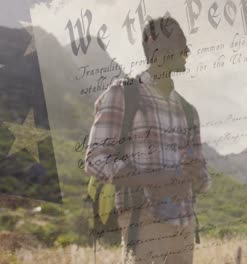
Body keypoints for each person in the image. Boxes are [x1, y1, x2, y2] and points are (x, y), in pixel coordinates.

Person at [84, 16, 211, 264]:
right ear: (155, 47)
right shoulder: (122, 94)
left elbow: (204, 180)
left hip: (185, 228)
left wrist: (197, 175)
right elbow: (95, 158)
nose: (187, 49)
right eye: (179, 41)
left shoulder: (189, 111)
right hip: (142, 226)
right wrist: (153, 180)